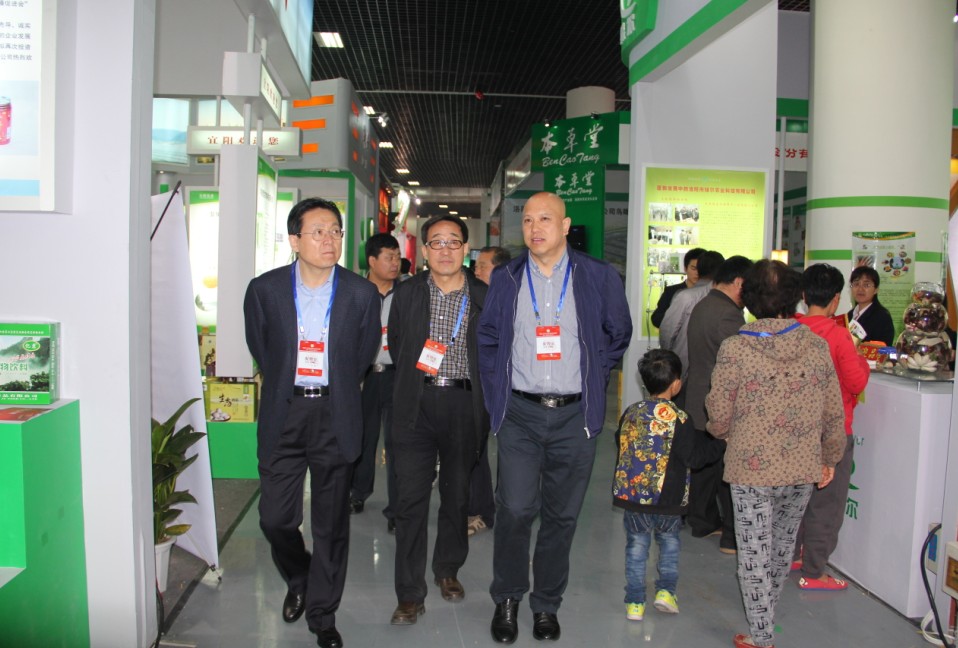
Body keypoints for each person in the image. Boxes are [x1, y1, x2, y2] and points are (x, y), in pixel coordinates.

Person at [478, 192, 632, 644]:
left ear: (565, 226)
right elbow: (489, 338)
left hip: (574, 417)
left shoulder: (598, 275)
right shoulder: (507, 277)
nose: (535, 228)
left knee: (561, 516)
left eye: (545, 219)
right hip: (521, 414)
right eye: (528, 220)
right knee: (514, 509)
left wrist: (592, 372)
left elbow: (618, 332)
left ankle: (546, 603)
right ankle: (508, 597)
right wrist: (498, 395)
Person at [243, 197, 381, 648]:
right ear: (294, 239)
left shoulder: (361, 294)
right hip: (285, 411)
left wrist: (335, 386)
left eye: (336, 231)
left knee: (331, 525)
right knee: (275, 518)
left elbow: (362, 355)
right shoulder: (264, 290)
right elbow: (263, 347)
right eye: (318, 231)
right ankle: (299, 575)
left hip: (336, 412)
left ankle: (323, 614)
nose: (329, 239)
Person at [705, 259, 846, 648]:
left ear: (748, 298)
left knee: (754, 551)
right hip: (801, 465)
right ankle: (764, 624)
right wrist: (830, 458)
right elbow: (833, 411)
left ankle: (761, 636)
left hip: (750, 466)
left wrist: (725, 433)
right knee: (781, 549)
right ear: (794, 298)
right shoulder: (816, 346)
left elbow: (718, 411)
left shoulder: (736, 348)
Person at [387, 215, 489, 625]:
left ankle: (448, 569)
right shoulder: (408, 292)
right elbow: (398, 344)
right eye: (436, 242)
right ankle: (409, 593)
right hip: (416, 402)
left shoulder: (484, 295)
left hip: (464, 402)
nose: (445, 249)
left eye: (453, 241)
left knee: (457, 494)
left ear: (465, 248)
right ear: (425, 250)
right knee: (410, 499)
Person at [613, 349, 725, 622]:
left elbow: (620, 442)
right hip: (669, 498)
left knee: (636, 547)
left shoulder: (631, 412)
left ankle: (635, 603)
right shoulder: (680, 418)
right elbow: (693, 458)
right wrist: (721, 444)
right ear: (676, 384)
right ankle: (665, 593)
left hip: (635, 496)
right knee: (669, 544)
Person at [792, 264, 870, 590]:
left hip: (795, 428)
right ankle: (813, 572)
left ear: (804, 295)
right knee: (826, 503)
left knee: (795, 498)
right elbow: (856, 381)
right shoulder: (838, 335)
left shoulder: (790, 329)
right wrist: (861, 359)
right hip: (832, 431)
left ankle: (791, 556)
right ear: (836, 299)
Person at [684, 255, 754, 554]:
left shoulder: (703, 304)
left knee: (705, 468)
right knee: (728, 471)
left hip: (698, 397)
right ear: (738, 282)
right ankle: (731, 536)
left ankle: (702, 522)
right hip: (719, 402)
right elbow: (738, 365)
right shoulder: (729, 315)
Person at [348, 234, 401, 532]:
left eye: (397, 257)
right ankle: (357, 493)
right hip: (364, 376)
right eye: (389, 257)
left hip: (397, 376)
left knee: (397, 443)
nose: (395, 263)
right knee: (362, 438)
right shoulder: (355, 292)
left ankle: (397, 509)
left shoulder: (406, 294)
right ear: (372, 261)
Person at [468, 245, 511, 537]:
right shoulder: (471, 299)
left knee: (512, 454)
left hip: (510, 389)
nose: (476, 270)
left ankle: (507, 511)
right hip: (476, 387)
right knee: (475, 448)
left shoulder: (516, 300)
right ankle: (478, 508)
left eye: (483, 266)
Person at [658, 250, 725, 386]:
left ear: (699, 269)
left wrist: (669, 356)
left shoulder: (684, 296)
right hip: (713, 370)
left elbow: (667, 331)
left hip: (681, 366)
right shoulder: (725, 300)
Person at [650, 248, 705, 329]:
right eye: (693, 268)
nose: (697, 273)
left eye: (701, 269)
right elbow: (656, 319)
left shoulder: (709, 292)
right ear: (685, 269)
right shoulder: (671, 291)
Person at [847, 266, 895, 345]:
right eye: (856, 284)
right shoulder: (849, 315)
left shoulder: (882, 316)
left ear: (876, 290)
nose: (860, 289)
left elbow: (883, 347)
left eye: (866, 285)